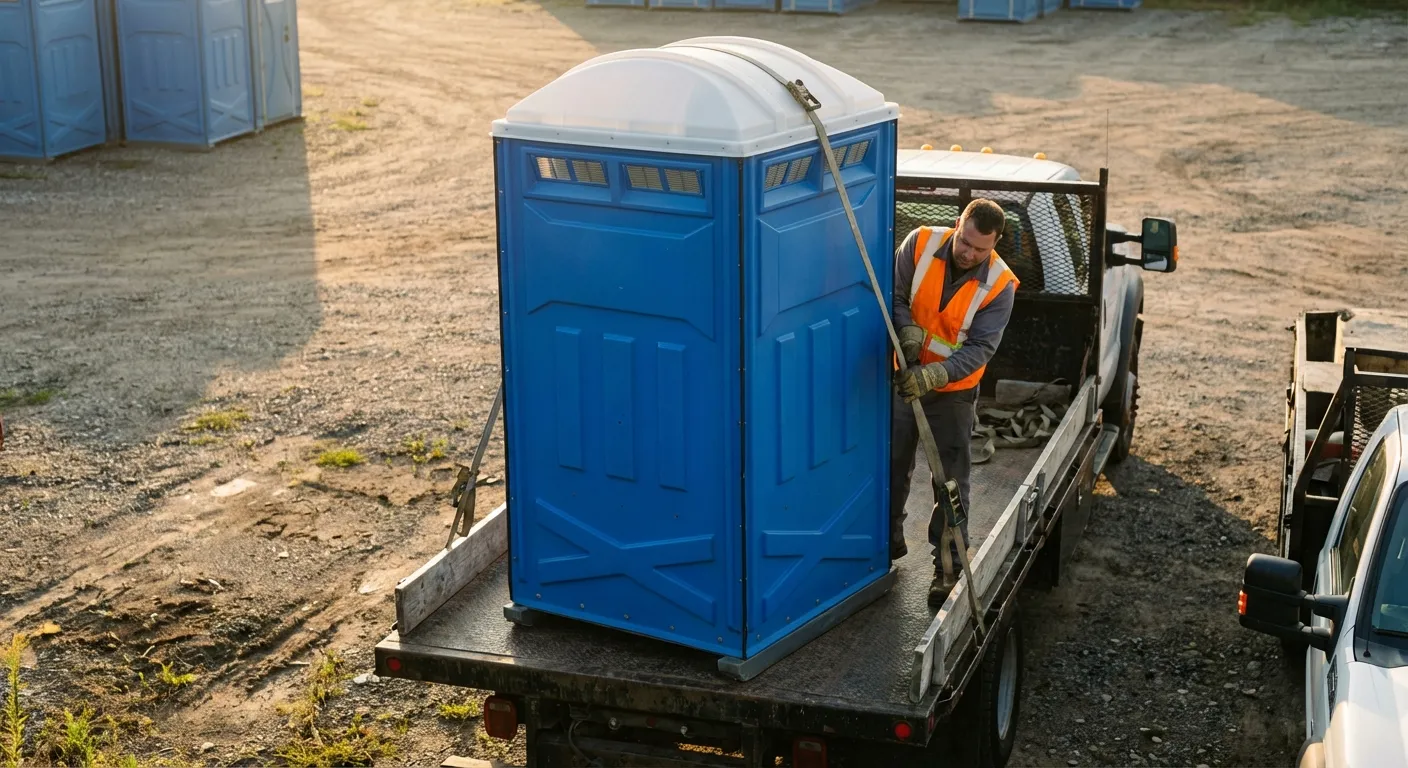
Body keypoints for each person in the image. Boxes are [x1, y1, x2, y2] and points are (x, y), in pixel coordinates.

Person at [889, 198, 1020, 607]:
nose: (968, 253)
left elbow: (981, 347)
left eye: (980, 249)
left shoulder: (1000, 285)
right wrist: (906, 328)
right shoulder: (920, 244)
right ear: (958, 223)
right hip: (900, 379)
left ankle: (946, 570)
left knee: (949, 483)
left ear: (995, 243)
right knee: (888, 465)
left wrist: (936, 374)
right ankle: (883, 545)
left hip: (952, 395)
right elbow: (891, 295)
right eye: (965, 241)